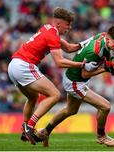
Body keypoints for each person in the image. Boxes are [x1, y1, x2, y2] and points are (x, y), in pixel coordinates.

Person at [7, 7, 96, 145]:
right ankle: (29, 126)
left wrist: (89, 41)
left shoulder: (48, 29)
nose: (69, 27)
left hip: (13, 65)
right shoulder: (52, 34)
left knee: (32, 98)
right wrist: (81, 65)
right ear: (59, 23)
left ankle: (25, 128)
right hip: (24, 65)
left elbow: (69, 48)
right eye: (68, 24)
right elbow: (59, 62)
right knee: (54, 94)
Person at [38, 25, 114, 147]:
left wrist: (109, 63)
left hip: (75, 78)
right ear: (108, 38)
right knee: (105, 106)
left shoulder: (103, 36)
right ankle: (101, 136)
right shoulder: (95, 52)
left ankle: (45, 132)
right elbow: (85, 74)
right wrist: (103, 69)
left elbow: (107, 55)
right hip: (76, 81)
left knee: (71, 110)